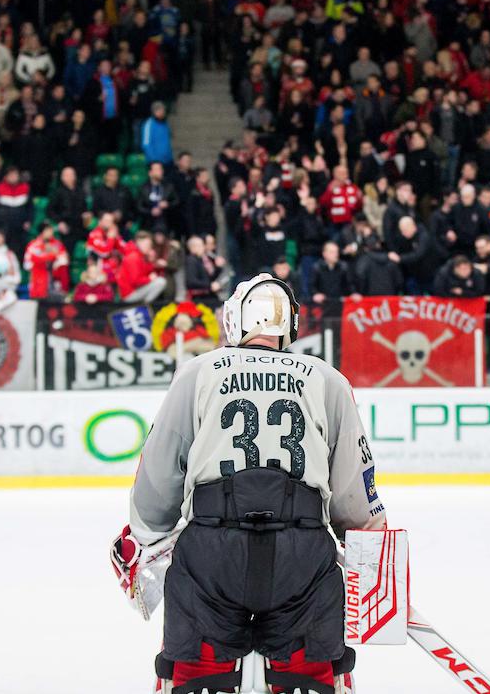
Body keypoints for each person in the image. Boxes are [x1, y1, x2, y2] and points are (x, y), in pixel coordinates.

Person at [112, 273, 382, 694]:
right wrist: (371, 545)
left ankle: (201, 677)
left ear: (234, 320)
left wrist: (148, 533)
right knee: (308, 668)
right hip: (303, 557)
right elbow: (354, 487)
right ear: (289, 325)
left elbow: (159, 472)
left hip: (211, 554)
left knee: (196, 669)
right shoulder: (326, 378)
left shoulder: (198, 371)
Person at [116, 231, 167, 303]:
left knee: (159, 280)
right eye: (147, 245)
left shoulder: (139, 255)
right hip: (129, 294)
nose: (149, 248)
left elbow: (144, 271)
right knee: (161, 282)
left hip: (133, 290)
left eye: (150, 245)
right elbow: (135, 281)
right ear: (139, 243)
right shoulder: (133, 257)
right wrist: (149, 279)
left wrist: (153, 263)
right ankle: (144, 306)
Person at [23, 222, 70, 300]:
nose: (51, 233)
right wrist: (52, 254)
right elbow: (32, 261)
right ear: (42, 232)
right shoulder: (34, 245)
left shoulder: (57, 244)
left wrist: (53, 257)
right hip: (39, 275)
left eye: (51, 230)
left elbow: (64, 259)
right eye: (48, 230)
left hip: (55, 275)